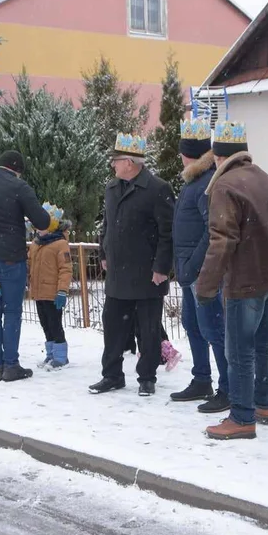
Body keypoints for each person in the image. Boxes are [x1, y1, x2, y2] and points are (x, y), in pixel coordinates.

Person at [197, 121, 268, 439]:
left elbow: (221, 240)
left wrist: (206, 285)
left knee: (240, 351)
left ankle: (242, 417)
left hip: (244, 280)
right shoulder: (264, 179)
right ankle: (263, 404)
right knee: (264, 346)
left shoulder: (225, 186)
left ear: (218, 157)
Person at [92, 132, 175, 397]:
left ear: (129, 162)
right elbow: (106, 224)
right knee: (113, 326)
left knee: (148, 328)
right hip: (118, 272)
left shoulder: (157, 189)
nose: (112, 165)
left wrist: (162, 268)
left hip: (147, 273)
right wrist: (104, 252)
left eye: (115, 160)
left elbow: (167, 232)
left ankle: (147, 377)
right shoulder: (111, 188)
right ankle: (112, 375)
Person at [0, 149, 57, 382]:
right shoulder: (18, 187)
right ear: (17, 170)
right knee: (12, 311)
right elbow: (42, 220)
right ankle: (11, 366)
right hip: (10, 259)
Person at [169, 116, 229, 413]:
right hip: (189, 272)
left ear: (186, 154)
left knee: (213, 328)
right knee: (193, 324)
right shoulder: (194, 180)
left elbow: (211, 230)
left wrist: (192, 264)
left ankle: (227, 387)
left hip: (202, 273)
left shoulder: (206, 183)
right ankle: (202, 379)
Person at [27, 203, 73, 370]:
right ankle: (51, 354)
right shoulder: (36, 244)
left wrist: (62, 290)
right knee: (45, 324)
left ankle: (61, 357)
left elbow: (65, 269)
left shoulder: (60, 244)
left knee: (55, 324)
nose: (38, 229)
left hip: (53, 293)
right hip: (39, 292)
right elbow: (30, 264)